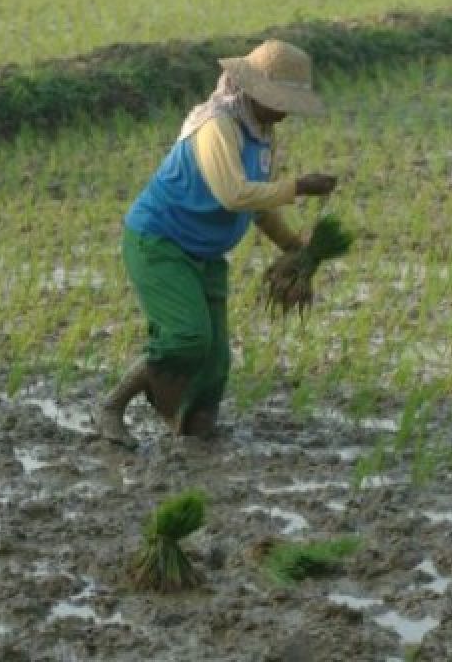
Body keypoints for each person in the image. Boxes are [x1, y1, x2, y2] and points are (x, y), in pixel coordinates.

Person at [94, 39, 338, 449]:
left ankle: (193, 433)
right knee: (186, 339)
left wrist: (294, 246)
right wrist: (297, 187)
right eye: (280, 100)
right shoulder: (217, 125)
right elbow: (233, 194)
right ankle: (112, 406)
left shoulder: (260, 134)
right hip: (160, 242)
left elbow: (257, 206)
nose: (285, 112)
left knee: (215, 364)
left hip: (205, 253)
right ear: (255, 90)